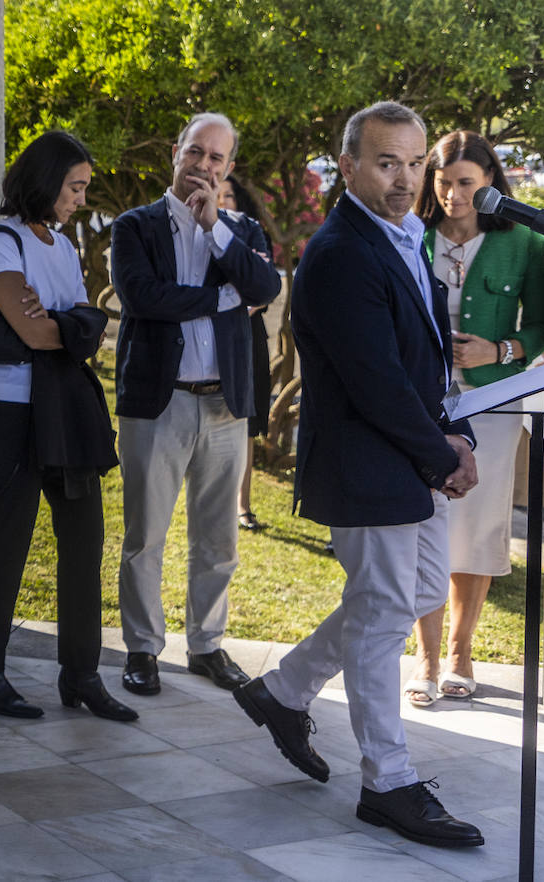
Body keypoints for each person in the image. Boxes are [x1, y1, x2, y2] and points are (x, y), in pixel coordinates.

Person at [232, 101, 484, 848]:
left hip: (414, 459)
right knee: (381, 620)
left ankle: (283, 691)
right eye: (386, 163)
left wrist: (458, 434)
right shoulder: (341, 252)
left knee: (413, 591)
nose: (405, 180)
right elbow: (376, 382)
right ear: (347, 168)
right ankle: (389, 782)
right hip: (368, 464)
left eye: (414, 163)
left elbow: (430, 358)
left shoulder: (408, 237)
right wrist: (445, 455)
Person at [0, 130, 137, 723]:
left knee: (84, 539)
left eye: (85, 189)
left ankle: (81, 675)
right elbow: (41, 331)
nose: (81, 200)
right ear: (45, 181)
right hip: (11, 408)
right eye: (75, 187)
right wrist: (72, 327)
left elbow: (85, 328)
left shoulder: (59, 246)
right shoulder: (1, 242)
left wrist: (68, 325)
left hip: (66, 408)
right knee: (9, 539)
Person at [110, 113, 281, 696]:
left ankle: (206, 645)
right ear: (176, 154)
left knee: (218, 539)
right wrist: (222, 298)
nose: (203, 167)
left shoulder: (242, 231)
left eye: (216, 159)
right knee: (145, 537)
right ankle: (142, 649)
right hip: (159, 403)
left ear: (229, 168)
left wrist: (215, 231)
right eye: (195, 153)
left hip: (225, 404)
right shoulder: (135, 227)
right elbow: (144, 298)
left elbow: (265, 289)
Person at [404, 131, 544, 708]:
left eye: (466, 182)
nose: (453, 194)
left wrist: (501, 350)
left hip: (494, 406)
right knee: (429, 528)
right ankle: (427, 657)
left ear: (490, 181)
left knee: (479, 530)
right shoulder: (413, 237)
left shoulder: (523, 244)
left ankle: (462, 654)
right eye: (443, 181)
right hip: (427, 405)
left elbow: (540, 324)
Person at [217, 176, 274, 532]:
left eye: (229, 196)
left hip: (248, 337)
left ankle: (243, 506)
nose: (223, 203)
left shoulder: (253, 235)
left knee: (246, 426)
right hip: (207, 338)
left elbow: (262, 291)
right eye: (216, 196)